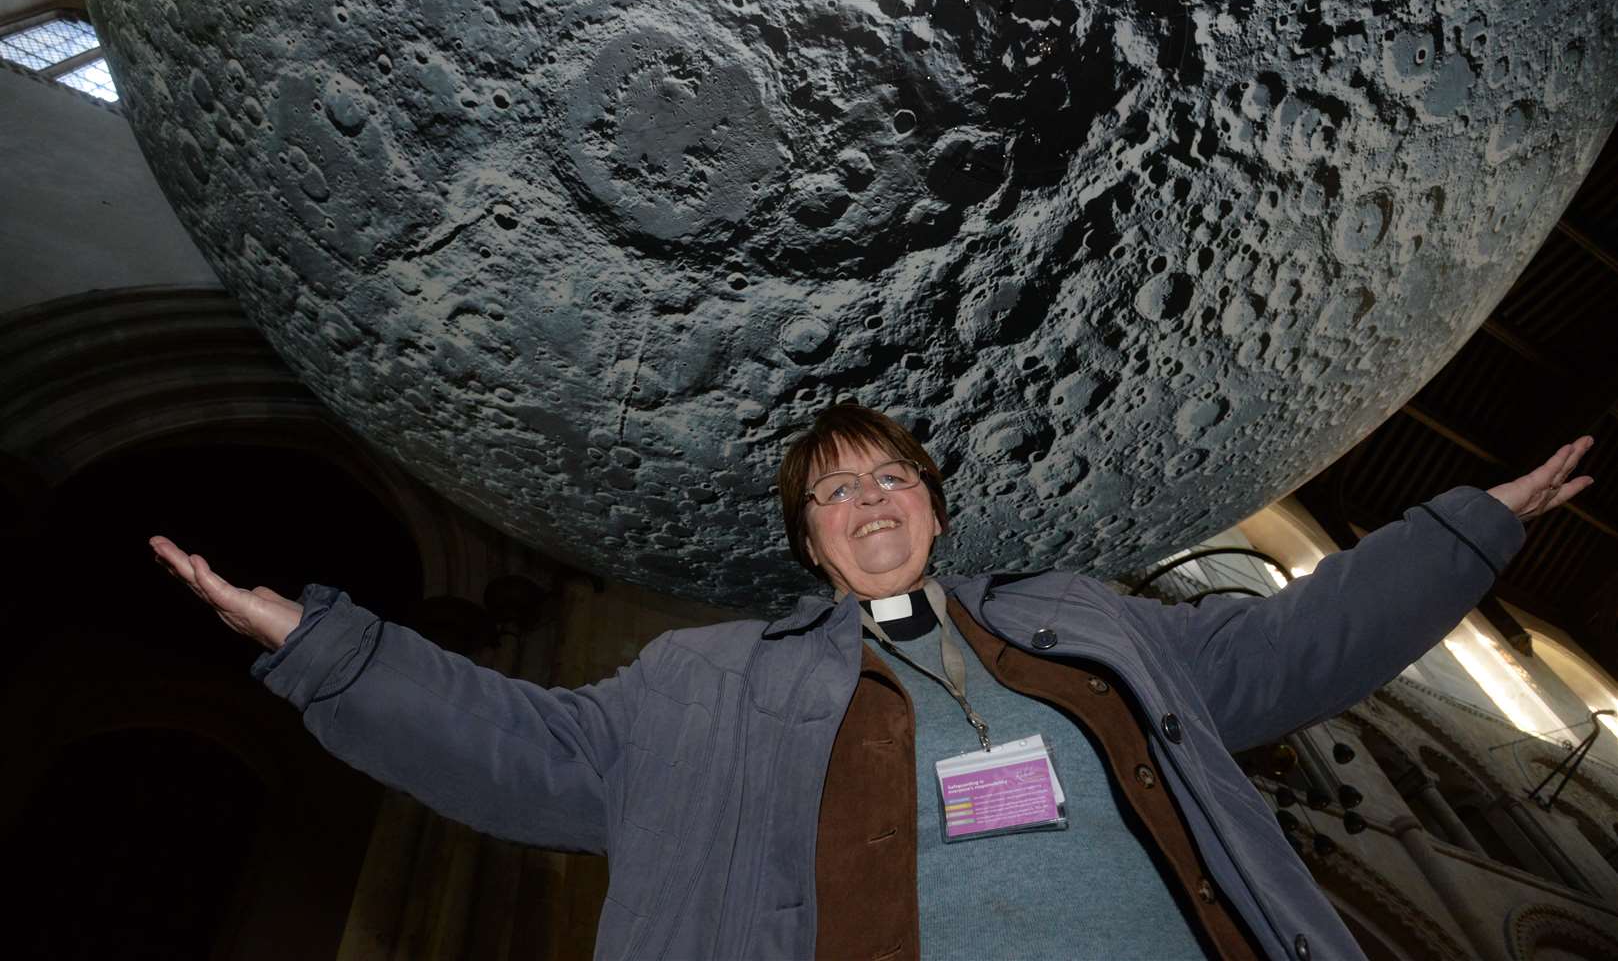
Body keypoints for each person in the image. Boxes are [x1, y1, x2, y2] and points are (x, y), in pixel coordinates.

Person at [151, 405, 1594, 960]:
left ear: (937, 510)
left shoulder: (1094, 623)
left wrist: (1469, 524)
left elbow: (1298, 639)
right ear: (807, 542)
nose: (869, 500)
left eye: (892, 476)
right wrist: (319, 640)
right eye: (835, 494)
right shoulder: (698, 681)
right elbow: (523, 751)